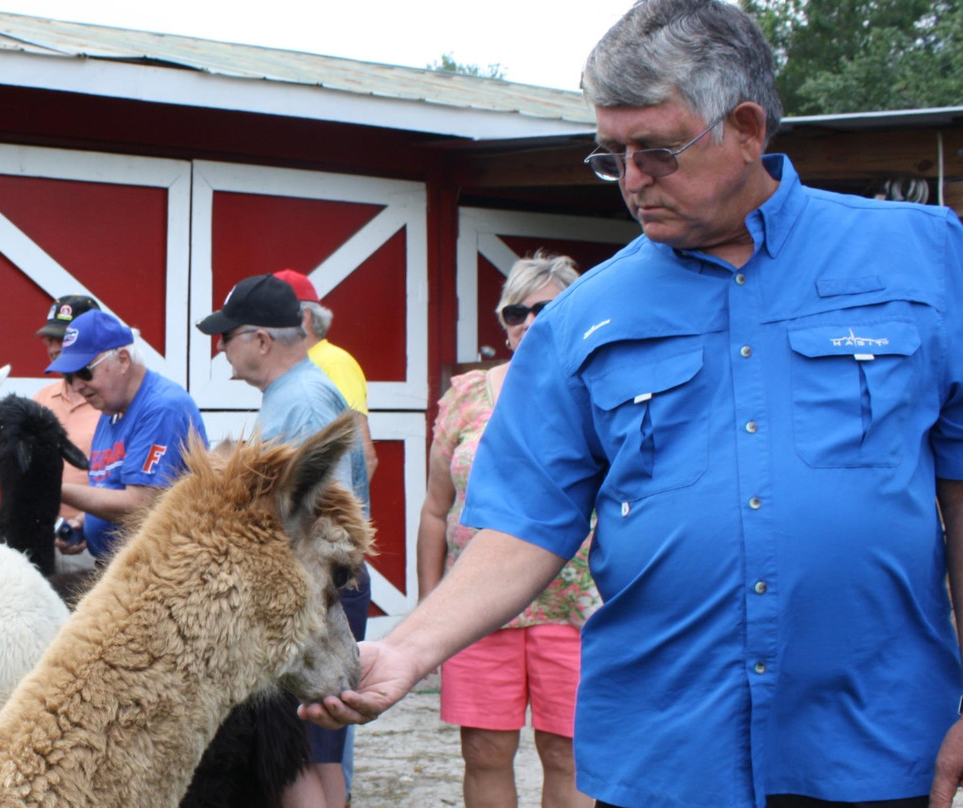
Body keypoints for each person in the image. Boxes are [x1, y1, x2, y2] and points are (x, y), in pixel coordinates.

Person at [300, 2, 963, 808]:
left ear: (747, 128)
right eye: (611, 155)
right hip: (668, 755)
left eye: (656, 151)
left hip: (872, 744)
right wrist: (408, 650)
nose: (633, 182)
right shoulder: (581, 319)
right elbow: (523, 525)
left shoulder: (924, 259)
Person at [416, 251, 598, 808]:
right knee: (485, 753)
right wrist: (431, 610)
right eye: (516, 312)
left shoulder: (597, 390)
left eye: (545, 308)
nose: (529, 323)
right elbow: (434, 508)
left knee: (569, 756)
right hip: (478, 607)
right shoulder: (467, 396)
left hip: (576, 608)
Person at [196, 273, 370, 808]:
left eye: (226, 336)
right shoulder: (293, 395)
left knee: (307, 750)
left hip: (317, 595)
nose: (220, 348)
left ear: (261, 340)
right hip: (308, 591)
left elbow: (323, 521)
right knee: (302, 748)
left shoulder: (304, 403)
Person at [51, 309, 207, 562]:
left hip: (160, 572)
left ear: (123, 359)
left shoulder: (163, 407)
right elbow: (110, 486)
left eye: (84, 371)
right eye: (68, 377)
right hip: (124, 569)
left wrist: (52, 488)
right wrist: (84, 522)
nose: (77, 385)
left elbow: (142, 504)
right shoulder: (111, 409)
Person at [273, 269, 378, 487]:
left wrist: (336, 518)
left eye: (272, 314)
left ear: (305, 317)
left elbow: (364, 456)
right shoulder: (294, 366)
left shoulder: (335, 363)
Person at [31, 294, 102, 534]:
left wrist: (82, 523)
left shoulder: (111, 403)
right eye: (49, 340)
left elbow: (120, 482)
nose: (53, 348)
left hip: (95, 536)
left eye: (61, 339)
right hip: (43, 534)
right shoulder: (40, 400)